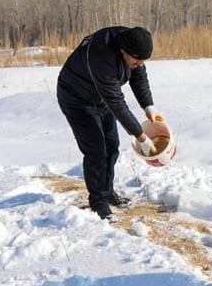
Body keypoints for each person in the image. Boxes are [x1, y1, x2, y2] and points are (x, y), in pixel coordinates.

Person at [57, 25, 164, 220]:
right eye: (137, 59)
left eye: (143, 60)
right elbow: (116, 101)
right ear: (125, 51)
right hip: (77, 100)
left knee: (112, 144)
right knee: (96, 150)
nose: (141, 64)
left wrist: (149, 106)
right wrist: (140, 135)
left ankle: (107, 192)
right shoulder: (101, 56)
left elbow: (139, 78)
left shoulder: (133, 43)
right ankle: (98, 203)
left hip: (100, 98)